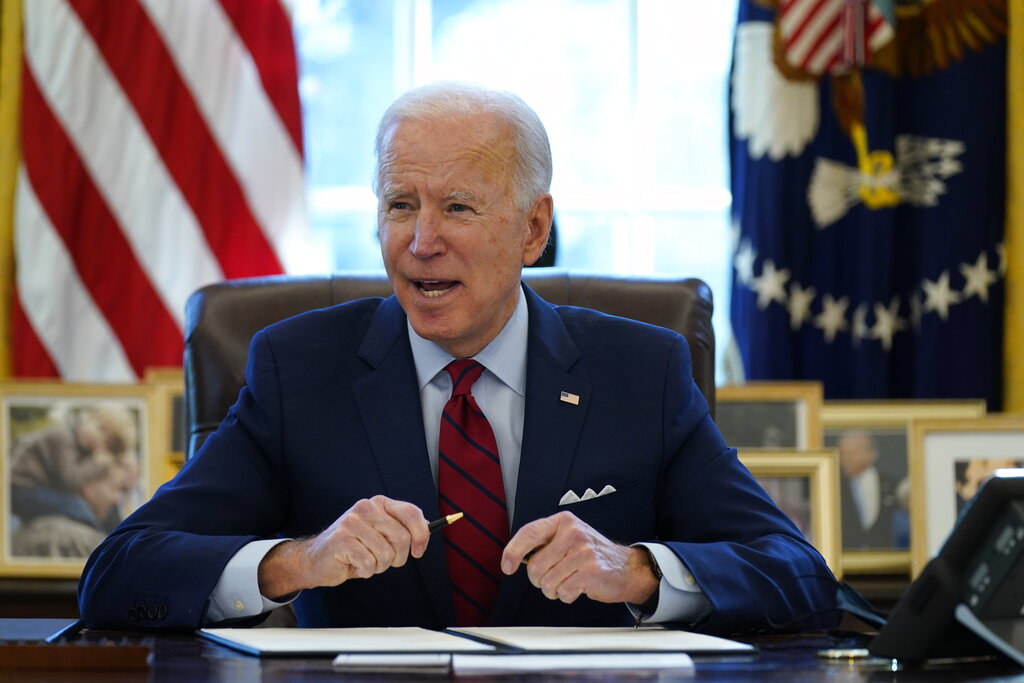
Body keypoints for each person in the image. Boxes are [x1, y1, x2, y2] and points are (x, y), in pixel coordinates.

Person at [78, 82, 838, 634]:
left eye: (458, 207)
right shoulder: (297, 369)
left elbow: (800, 573)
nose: (420, 242)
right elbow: (120, 572)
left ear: (534, 230)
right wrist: (295, 562)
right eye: (399, 204)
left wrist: (638, 570)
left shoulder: (640, 371)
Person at [11, 404, 141, 558]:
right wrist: (98, 462)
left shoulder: (80, 446)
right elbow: (70, 480)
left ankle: (115, 537)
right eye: (101, 429)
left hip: (38, 492)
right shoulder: (62, 438)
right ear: (89, 418)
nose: (99, 441)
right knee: (78, 507)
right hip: (22, 490)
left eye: (107, 443)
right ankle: (98, 533)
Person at [836, 430, 905, 550]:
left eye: (851, 453)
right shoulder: (833, 488)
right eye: (842, 454)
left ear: (872, 454)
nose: (845, 459)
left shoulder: (894, 485)